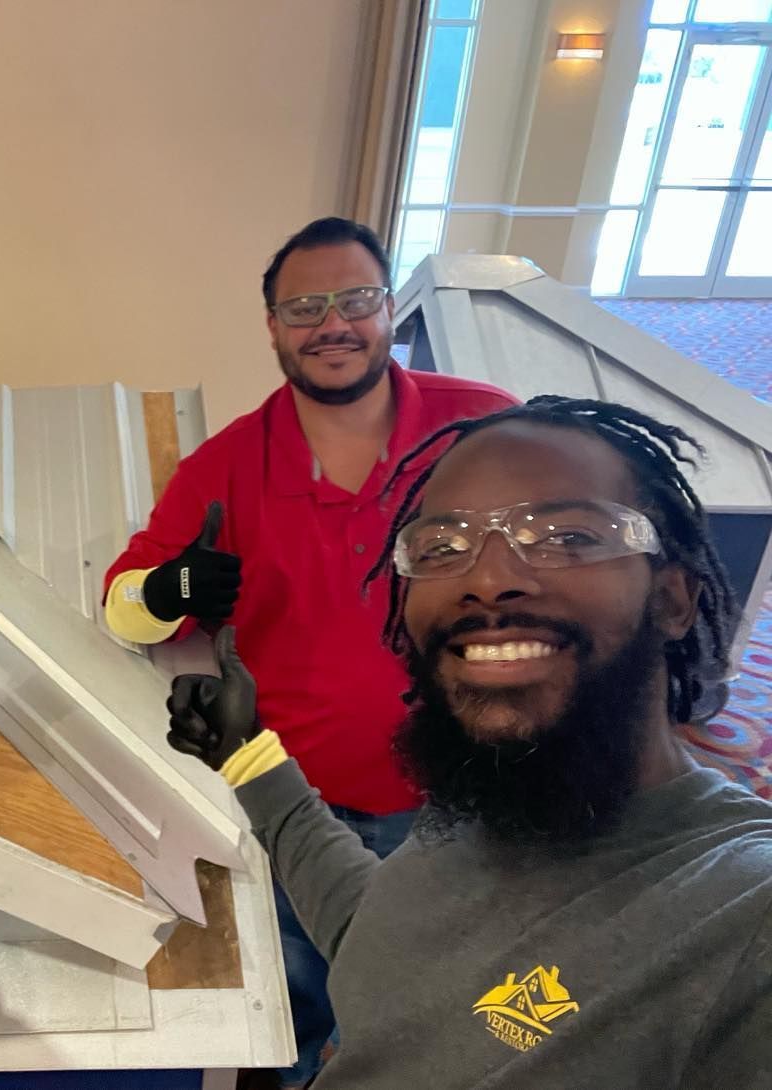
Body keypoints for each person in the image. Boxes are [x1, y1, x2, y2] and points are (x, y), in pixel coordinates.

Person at [167, 397, 772, 1087]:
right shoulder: (485, 800)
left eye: (566, 536)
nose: (485, 579)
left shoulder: (740, 908)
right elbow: (381, 937)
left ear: (671, 599)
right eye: (442, 548)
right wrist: (246, 752)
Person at [103, 216, 516, 1083]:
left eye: (356, 299)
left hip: (461, 799)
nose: (333, 323)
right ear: (273, 328)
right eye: (304, 306)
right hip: (295, 807)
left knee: (451, 1013)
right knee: (288, 1019)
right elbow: (119, 607)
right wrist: (173, 588)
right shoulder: (224, 466)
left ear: (388, 308)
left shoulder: (482, 427)